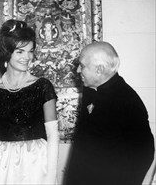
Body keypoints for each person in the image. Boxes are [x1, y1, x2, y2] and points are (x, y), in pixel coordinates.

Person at [0, 19, 59, 185]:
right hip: (3, 164)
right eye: (20, 52)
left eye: (30, 51)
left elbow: (53, 134)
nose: (27, 57)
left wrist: (50, 177)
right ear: (7, 52)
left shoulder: (43, 87)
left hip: (37, 163)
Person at [65, 41, 155, 185]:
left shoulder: (127, 100)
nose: (77, 71)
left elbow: (144, 153)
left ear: (99, 70)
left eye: (82, 66)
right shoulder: (91, 90)